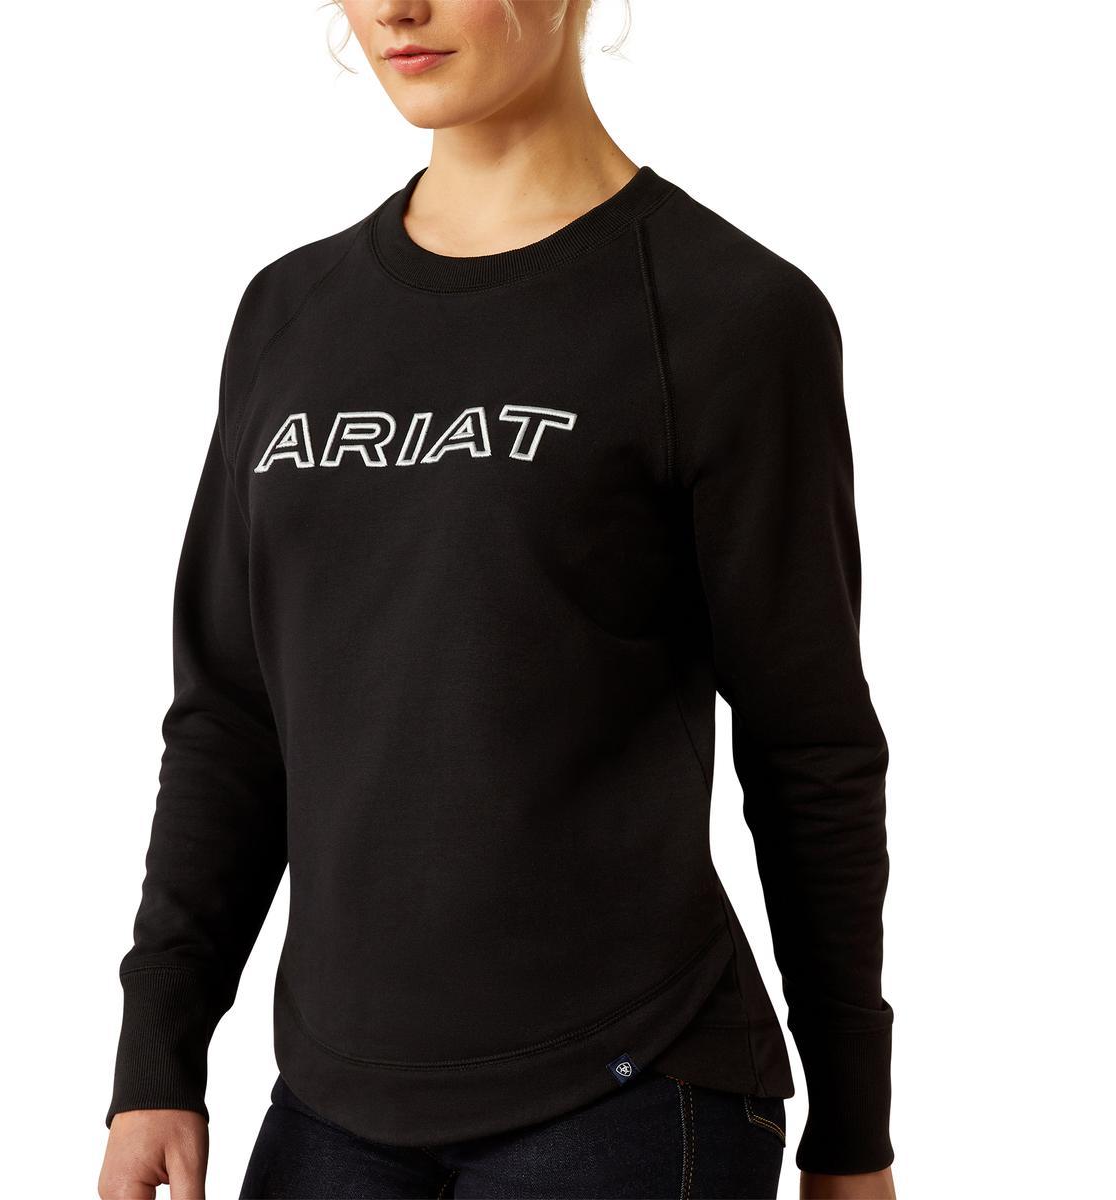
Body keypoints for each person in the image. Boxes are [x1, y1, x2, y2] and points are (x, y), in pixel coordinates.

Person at [98, 2, 896, 1197]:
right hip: (332, 1100)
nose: (395, 9)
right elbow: (229, 714)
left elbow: (810, 745)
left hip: (628, 1089)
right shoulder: (289, 314)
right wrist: (157, 1054)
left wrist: (854, 1132)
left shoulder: (725, 312)